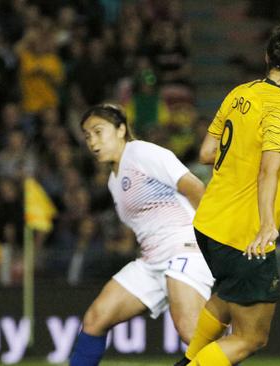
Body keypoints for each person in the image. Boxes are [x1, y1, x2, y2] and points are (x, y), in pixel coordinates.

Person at [174, 24, 280, 366]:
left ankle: (186, 361)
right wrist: (267, 224)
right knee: (251, 336)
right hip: (244, 233)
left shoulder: (241, 93)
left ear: (268, 58)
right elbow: (269, 171)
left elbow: (207, 151)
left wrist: (240, 155)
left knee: (224, 299)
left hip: (209, 223)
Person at [69, 104, 213, 365]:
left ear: (121, 129)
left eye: (99, 131)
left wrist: (214, 244)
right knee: (95, 320)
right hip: (151, 260)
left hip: (184, 247)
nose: (92, 141)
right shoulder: (114, 179)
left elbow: (195, 188)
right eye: (88, 135)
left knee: (191, 334)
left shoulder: (142, 153)